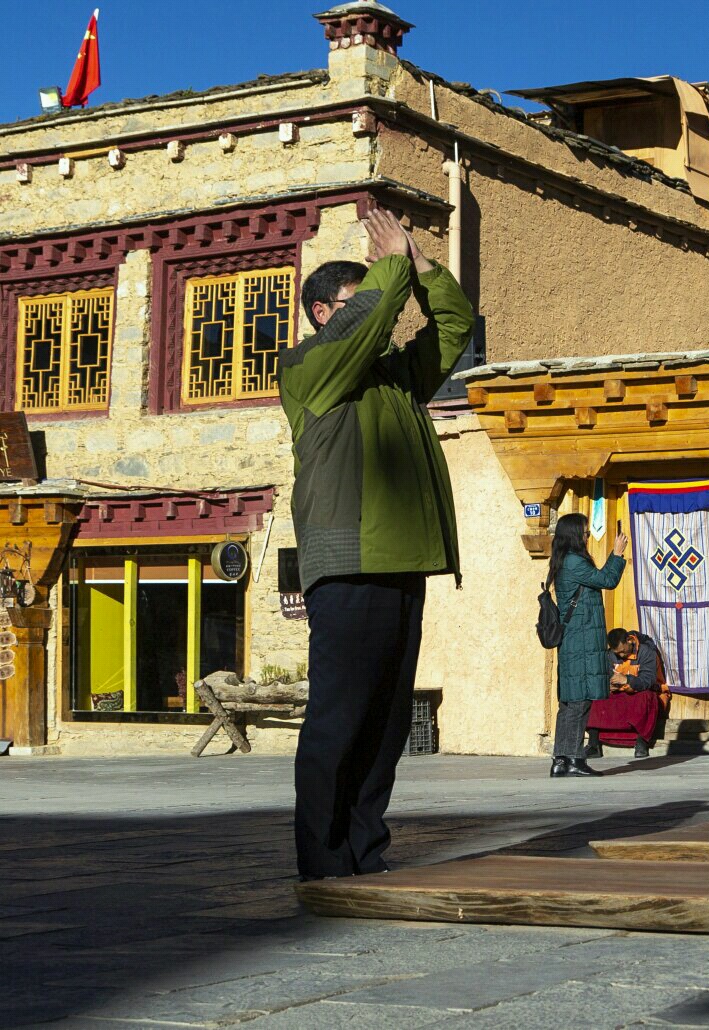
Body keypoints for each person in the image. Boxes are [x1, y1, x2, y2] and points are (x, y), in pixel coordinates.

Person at [279, 208, 474, 881]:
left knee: (387, 726)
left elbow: (455, 329)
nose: (381, 316)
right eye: (357, 301)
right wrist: (388, 267)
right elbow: (364, 324)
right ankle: (323, 859)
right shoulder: (311, 370)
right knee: (341, 717)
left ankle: (365, 852)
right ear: (320, 313)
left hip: (404, 563)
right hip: (349, 562)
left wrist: (419, 268)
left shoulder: (394, 379)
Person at [548, 513, 629, 777]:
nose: (587, 536)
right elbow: (607, 580)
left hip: (577, 639)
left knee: (572, 701)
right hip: (580, 640)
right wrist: (617, 554)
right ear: (573, 534)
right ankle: (572, 758)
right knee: (578, 701)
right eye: (584, 532)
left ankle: (561, 760)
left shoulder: (566, 561)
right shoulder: (573, 562)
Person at [586, 628, 669, 759]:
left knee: (647, 697)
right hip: (619, 693)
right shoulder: (609, 655)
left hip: (640, 692)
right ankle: (593, 744)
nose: (621, 656)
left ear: (629, 640)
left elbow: (649, 680)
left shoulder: (647, 652)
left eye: (623, 652)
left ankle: (641, 742)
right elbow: (603, 675)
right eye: (617, 654)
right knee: (596, 696)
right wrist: (608, 685)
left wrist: (627, 680)